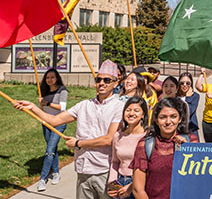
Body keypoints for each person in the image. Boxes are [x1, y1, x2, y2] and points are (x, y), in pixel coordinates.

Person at [14, 60, 125, 199]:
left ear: (116, 83)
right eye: (98, 79)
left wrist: (78, 144)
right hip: (82, 169)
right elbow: (54, 121)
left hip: (104, 170)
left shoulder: (119, 107)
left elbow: (108, 139)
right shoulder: (84, 105)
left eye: (107, 80)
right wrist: (32, 107)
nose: (101, 83)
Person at [131, 98, 199, 199]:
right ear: (156, 120)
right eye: (163, 117)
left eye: (173, 116)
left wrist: (187, 150)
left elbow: (197, 179)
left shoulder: (191, 140)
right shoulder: (145, 144)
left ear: (180, 119)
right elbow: (138, 189)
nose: (168, 122)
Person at [107, 97, 148, 199]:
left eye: (136, 110)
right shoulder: (118, 136)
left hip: (140, 184)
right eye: (128, 110)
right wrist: (112, 183)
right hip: (120, 182)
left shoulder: (148, 137)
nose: (131, 113)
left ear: (143, 115)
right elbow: (115, 162)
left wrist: (130, 187)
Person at [36, 68, 68, 191]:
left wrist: (46, 103)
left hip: (59, 122)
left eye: (52, 77)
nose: (50, 80)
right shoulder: (43, 90)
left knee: (49, 150)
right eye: (47, 77)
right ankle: (56, 172)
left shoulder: (62, 90)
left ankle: (42, 179)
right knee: (52, 148)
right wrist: (41, 105)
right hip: (46, 123)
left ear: (57, 78)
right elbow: (41, 108)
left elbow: (62, 108)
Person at [178, 72, 200, 138]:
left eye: (188, 83)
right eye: (182, 83)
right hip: (179, 129)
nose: (185, 85)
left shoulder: (195, 96)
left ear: (191, 84)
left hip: (192, 129)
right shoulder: (176, 97)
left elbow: (189, 111)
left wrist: (188, 98)